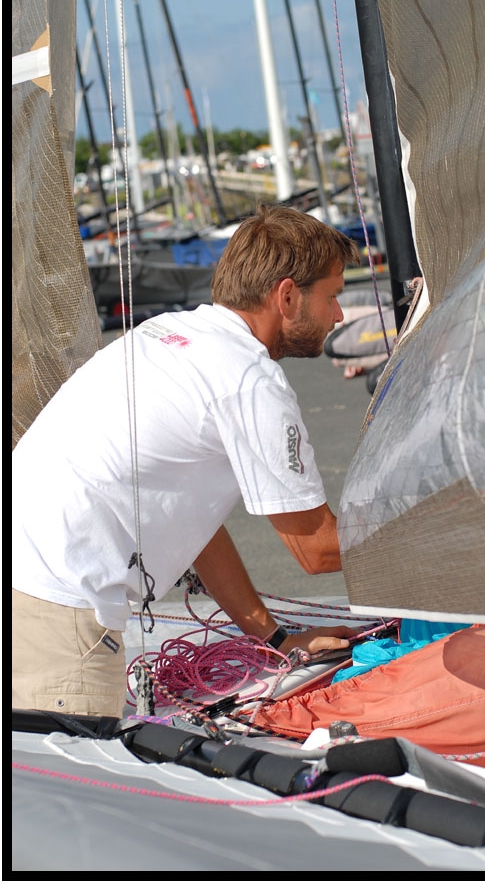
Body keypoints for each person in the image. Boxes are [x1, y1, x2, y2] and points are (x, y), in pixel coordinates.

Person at [12, 204, 362, 718]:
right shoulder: (249, 381)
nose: (338, 315)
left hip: (25, 581)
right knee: (71, 787)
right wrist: (445, 534)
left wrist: (275, 636)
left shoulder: (171, 334)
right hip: (55, 612)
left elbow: (189, 520)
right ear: (287, 296)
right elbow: (318, 551)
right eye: (332, 296)